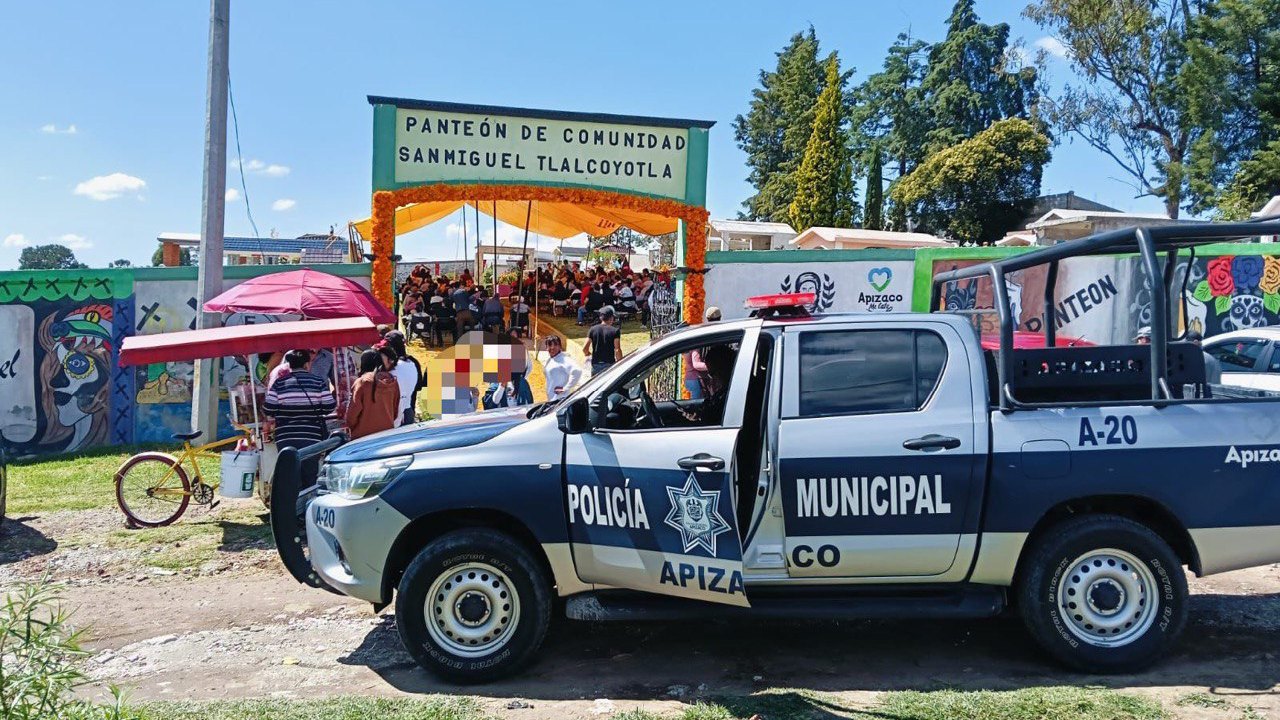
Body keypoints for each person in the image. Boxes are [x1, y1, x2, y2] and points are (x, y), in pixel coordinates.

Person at [262, 350, 336, 484]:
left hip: (285, 437)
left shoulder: (279, 384)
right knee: (309, 474)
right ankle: (307, 502)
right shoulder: (318, 382)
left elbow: (268, 409)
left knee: (289, 476)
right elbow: (329, 406)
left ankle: (291, 503)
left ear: (289, 365)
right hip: (311, 436)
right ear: (307, 364)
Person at [345, 349, 400, 438]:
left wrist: (352, 427)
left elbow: (352, 415)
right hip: (387, 434)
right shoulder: (392, 381)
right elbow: (395, 411)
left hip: (363, 438)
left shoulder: (362, 382)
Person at [382, 331, 422, 426]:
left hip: (396, 414)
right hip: (409, 411)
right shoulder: (413, 362)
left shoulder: (392, 367)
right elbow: (419, 386)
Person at [541, 335, 583, 401]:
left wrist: (565, 388)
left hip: (560, 399)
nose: (552, 347)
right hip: (551, 398)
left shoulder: (564, 359)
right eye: (549, 345)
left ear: (560, 346)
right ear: (546, 347)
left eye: (555, 345)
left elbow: (577, 371)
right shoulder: (550, 360)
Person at [583, 306, 622, 376]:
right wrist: (620, 363)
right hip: (609, 363)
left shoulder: (593, 329)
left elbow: (585, 348)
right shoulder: (615, 331)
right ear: (611, 318)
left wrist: (588, 354)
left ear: (601, 318)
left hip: (596, 364)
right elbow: (617, 349)